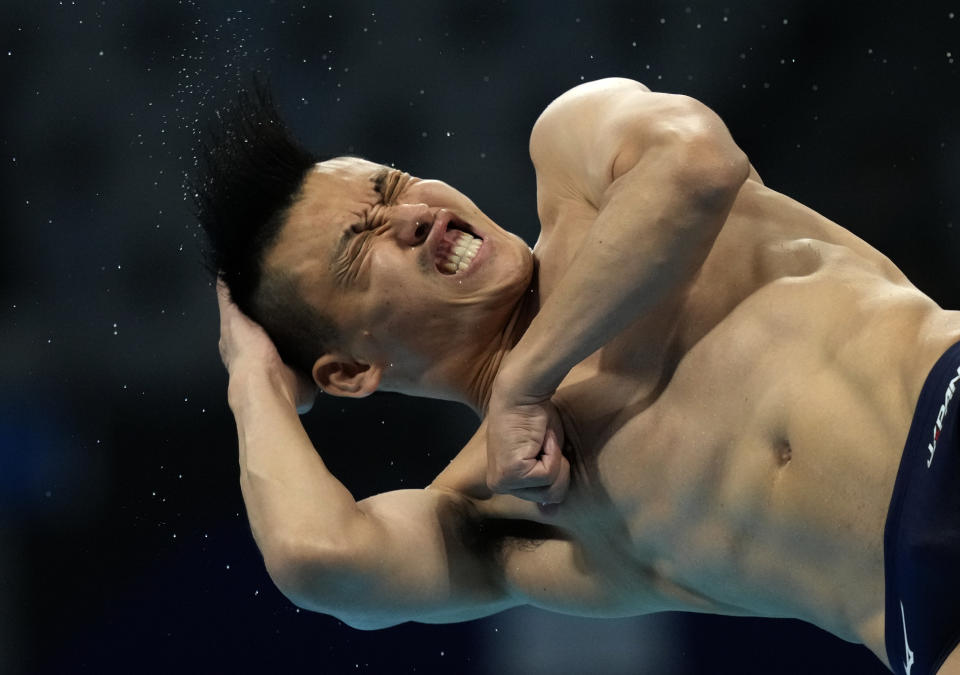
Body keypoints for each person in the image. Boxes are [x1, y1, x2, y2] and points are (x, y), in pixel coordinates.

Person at [197, 77, 960, 675]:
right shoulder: (503, 514)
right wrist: (250, 373)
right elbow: (319, 558)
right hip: (925, 626)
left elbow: (698, 165)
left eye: (393, 186)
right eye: (362, 243)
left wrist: (525, 382)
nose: (415, 214)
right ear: (352, 369)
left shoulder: (574, 162)